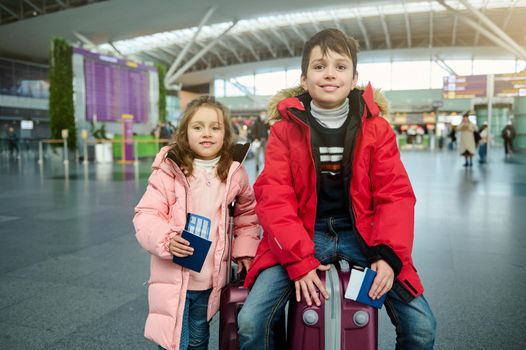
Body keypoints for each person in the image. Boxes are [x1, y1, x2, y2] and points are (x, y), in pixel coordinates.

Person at [237, 28, 436, 350]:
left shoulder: (377, 129)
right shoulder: (284, 131)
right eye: (319, 66)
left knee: (422, 327)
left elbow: (394, 195)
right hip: (304, 234)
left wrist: (387, 256)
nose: (329, 74)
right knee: (250, 323)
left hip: (365, 234)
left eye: (340, 67)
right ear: (304, 79)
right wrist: (299, 262)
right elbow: (274, 198)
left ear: (354, 77)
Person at [133, 96, 261, 350]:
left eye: (215, 127)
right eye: (198, 127)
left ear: (225, 133)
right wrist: (167, 240)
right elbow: (146, 214)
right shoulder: (169, 170)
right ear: (185, 132)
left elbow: (248, 214)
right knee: (174, 342)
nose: (207, 133)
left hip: (209, 279)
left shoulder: (234, 172)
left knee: (199, 339)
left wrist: (244, 250)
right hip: (174, 276)